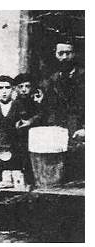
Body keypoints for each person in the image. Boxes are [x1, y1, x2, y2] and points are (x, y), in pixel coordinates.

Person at [39, 40, 85, 182]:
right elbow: (49, 109)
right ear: (55, 55)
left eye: (68, 53)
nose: (64, 57)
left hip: (80, 131)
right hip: (59, 132)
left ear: (75, 54)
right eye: (61, 53)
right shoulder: (51, 80)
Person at [13, 73, 43, 188]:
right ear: (16, 88)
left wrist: (30, 121)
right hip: (20, 138)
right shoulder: (15, 103)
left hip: (35, 137)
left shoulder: (36, 102)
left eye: (27, 86)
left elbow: (42, 115)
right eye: (20, 87)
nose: (24, 90)